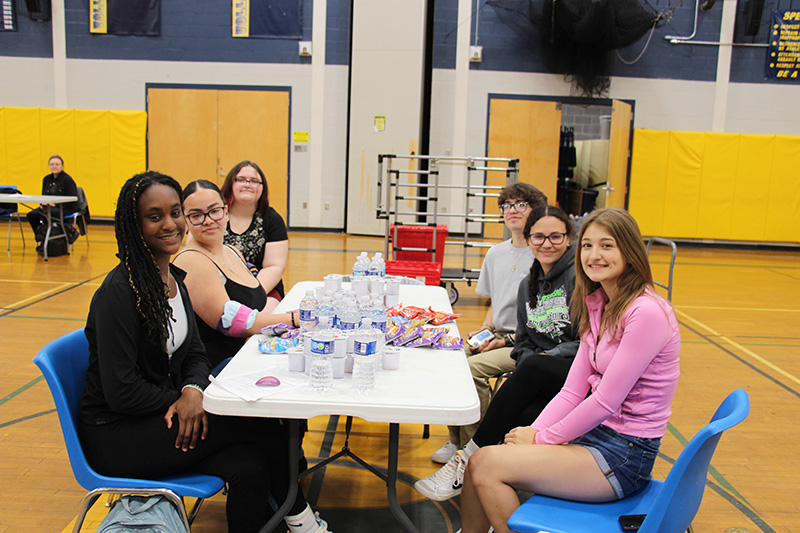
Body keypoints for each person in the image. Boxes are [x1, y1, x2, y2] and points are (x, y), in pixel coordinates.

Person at [78, 171, 331, 533]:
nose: (170, 224)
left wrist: (194, 391)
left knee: (251, 464)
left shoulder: (171, 280)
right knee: (262, 427)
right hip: (118, 434)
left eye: (175, 213)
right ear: (133, 225)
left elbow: (195, 353)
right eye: (155, 216)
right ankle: (306, 524)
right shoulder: (118, 294)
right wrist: (185, 400)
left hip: (163, 413)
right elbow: (122, 391)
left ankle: (283, 522)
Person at [458, 207, 681, 533]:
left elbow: (604, 401)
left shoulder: (646, 312)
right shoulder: (599, 304)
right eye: (588, 245)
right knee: (483, 459)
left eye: (607, 245)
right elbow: (573, 391)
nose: (594, 255)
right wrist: (534, 436)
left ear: (629, 251)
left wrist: (541, 437)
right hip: (597, 437)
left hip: (624, 455)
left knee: (485, 465)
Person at [415, 206, 580, 500]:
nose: (547, 244)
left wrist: (543, 360)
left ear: (568, 238)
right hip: (538, 372)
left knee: (530, 370)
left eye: (556, 236)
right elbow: (523, 341)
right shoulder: (527, 286)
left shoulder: (579, 280)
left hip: (575, 369)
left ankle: (468, 459)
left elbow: (589, 343)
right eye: (539, 237)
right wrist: (530, 359)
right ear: (530, 240)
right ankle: (492, 488)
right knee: (526, 414)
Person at [430, 182, 547, 465]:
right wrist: (485, 329)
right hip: (496, 334)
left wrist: (503, 340)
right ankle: (455, 440)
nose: (512, 211)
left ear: (536, 211)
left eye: (521, 204)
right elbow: (496, 301)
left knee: (471, 370)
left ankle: (476, 449)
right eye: (507, 205)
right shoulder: (495, 254)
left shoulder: (543, 254)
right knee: (447, 361)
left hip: (524, 342)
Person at [173, 179, 298, 371]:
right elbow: (233, 322)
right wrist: (293, 319)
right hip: (218, 369)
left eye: (214, 211)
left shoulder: (232, 252)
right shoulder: (191, 260)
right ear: (186, 221)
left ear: (226, 212)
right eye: (197, 215)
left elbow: (256, 304)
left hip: (248, 354)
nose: (208, 220)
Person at [221, 160, 288, 299]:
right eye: (241, 179)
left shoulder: (272, 219)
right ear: (231, 184)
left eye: (254, 181)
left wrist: (251, 296)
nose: (247, 184)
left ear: (262, 187)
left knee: (262, 317)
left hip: (262, 288)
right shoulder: (216, 216)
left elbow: (274, 267)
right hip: (219, 287)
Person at [26, 155, 78, 244]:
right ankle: (42, 237)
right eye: (52, 164)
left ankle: (51, 240)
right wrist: (43, 205)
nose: (54, 166)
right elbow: (44, 196)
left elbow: (72, 200)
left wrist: (56, 205)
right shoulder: (46, 179)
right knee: (32, 215)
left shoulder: (68, 180)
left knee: (47, 214)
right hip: (49, 207)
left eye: (57, 164)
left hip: (65, 208)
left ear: (62, 166)